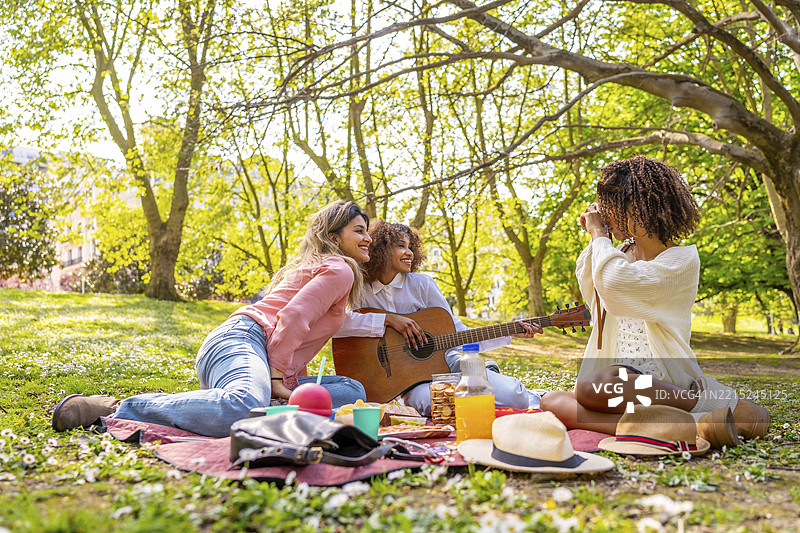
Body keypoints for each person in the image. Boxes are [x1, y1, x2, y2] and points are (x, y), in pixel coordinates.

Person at [52, 201, 372, 437]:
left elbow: (303, 330)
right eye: (359, 231)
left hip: (257, 356)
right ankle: (118, 408)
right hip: (243, 340)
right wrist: (276, 379)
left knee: (352, 391)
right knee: (243, 406)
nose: (367, 238)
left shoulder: (323, 269)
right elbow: (292, 317)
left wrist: (284, 382)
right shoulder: (340, 269)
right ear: (334, 237)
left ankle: (245, 407)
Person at [540, 155, 769, 445]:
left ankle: (701, 403)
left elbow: (614, 283)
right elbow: (593, 285)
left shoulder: (681, 261)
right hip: (619, 385)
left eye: (611, 207)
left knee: (593, 386)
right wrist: (598, 236)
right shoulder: (621, 253)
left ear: (635, 210)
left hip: (662, 383)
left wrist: (599, 233)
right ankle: (688, 426)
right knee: (552, 401)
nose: (605, 216)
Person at [334, 220, 545, 417]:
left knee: (515, 396)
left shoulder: (422, 284)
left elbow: (455, 332)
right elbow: (338, 325)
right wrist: (389, 319)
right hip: (409, 381)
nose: (409, 253)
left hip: (449, 361)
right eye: (401, 246)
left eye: (410, 247)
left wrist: (510, 331)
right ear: (381, 249)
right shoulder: (359, 288)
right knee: (435, 403)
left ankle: (491, 380)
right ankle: (474, 383)